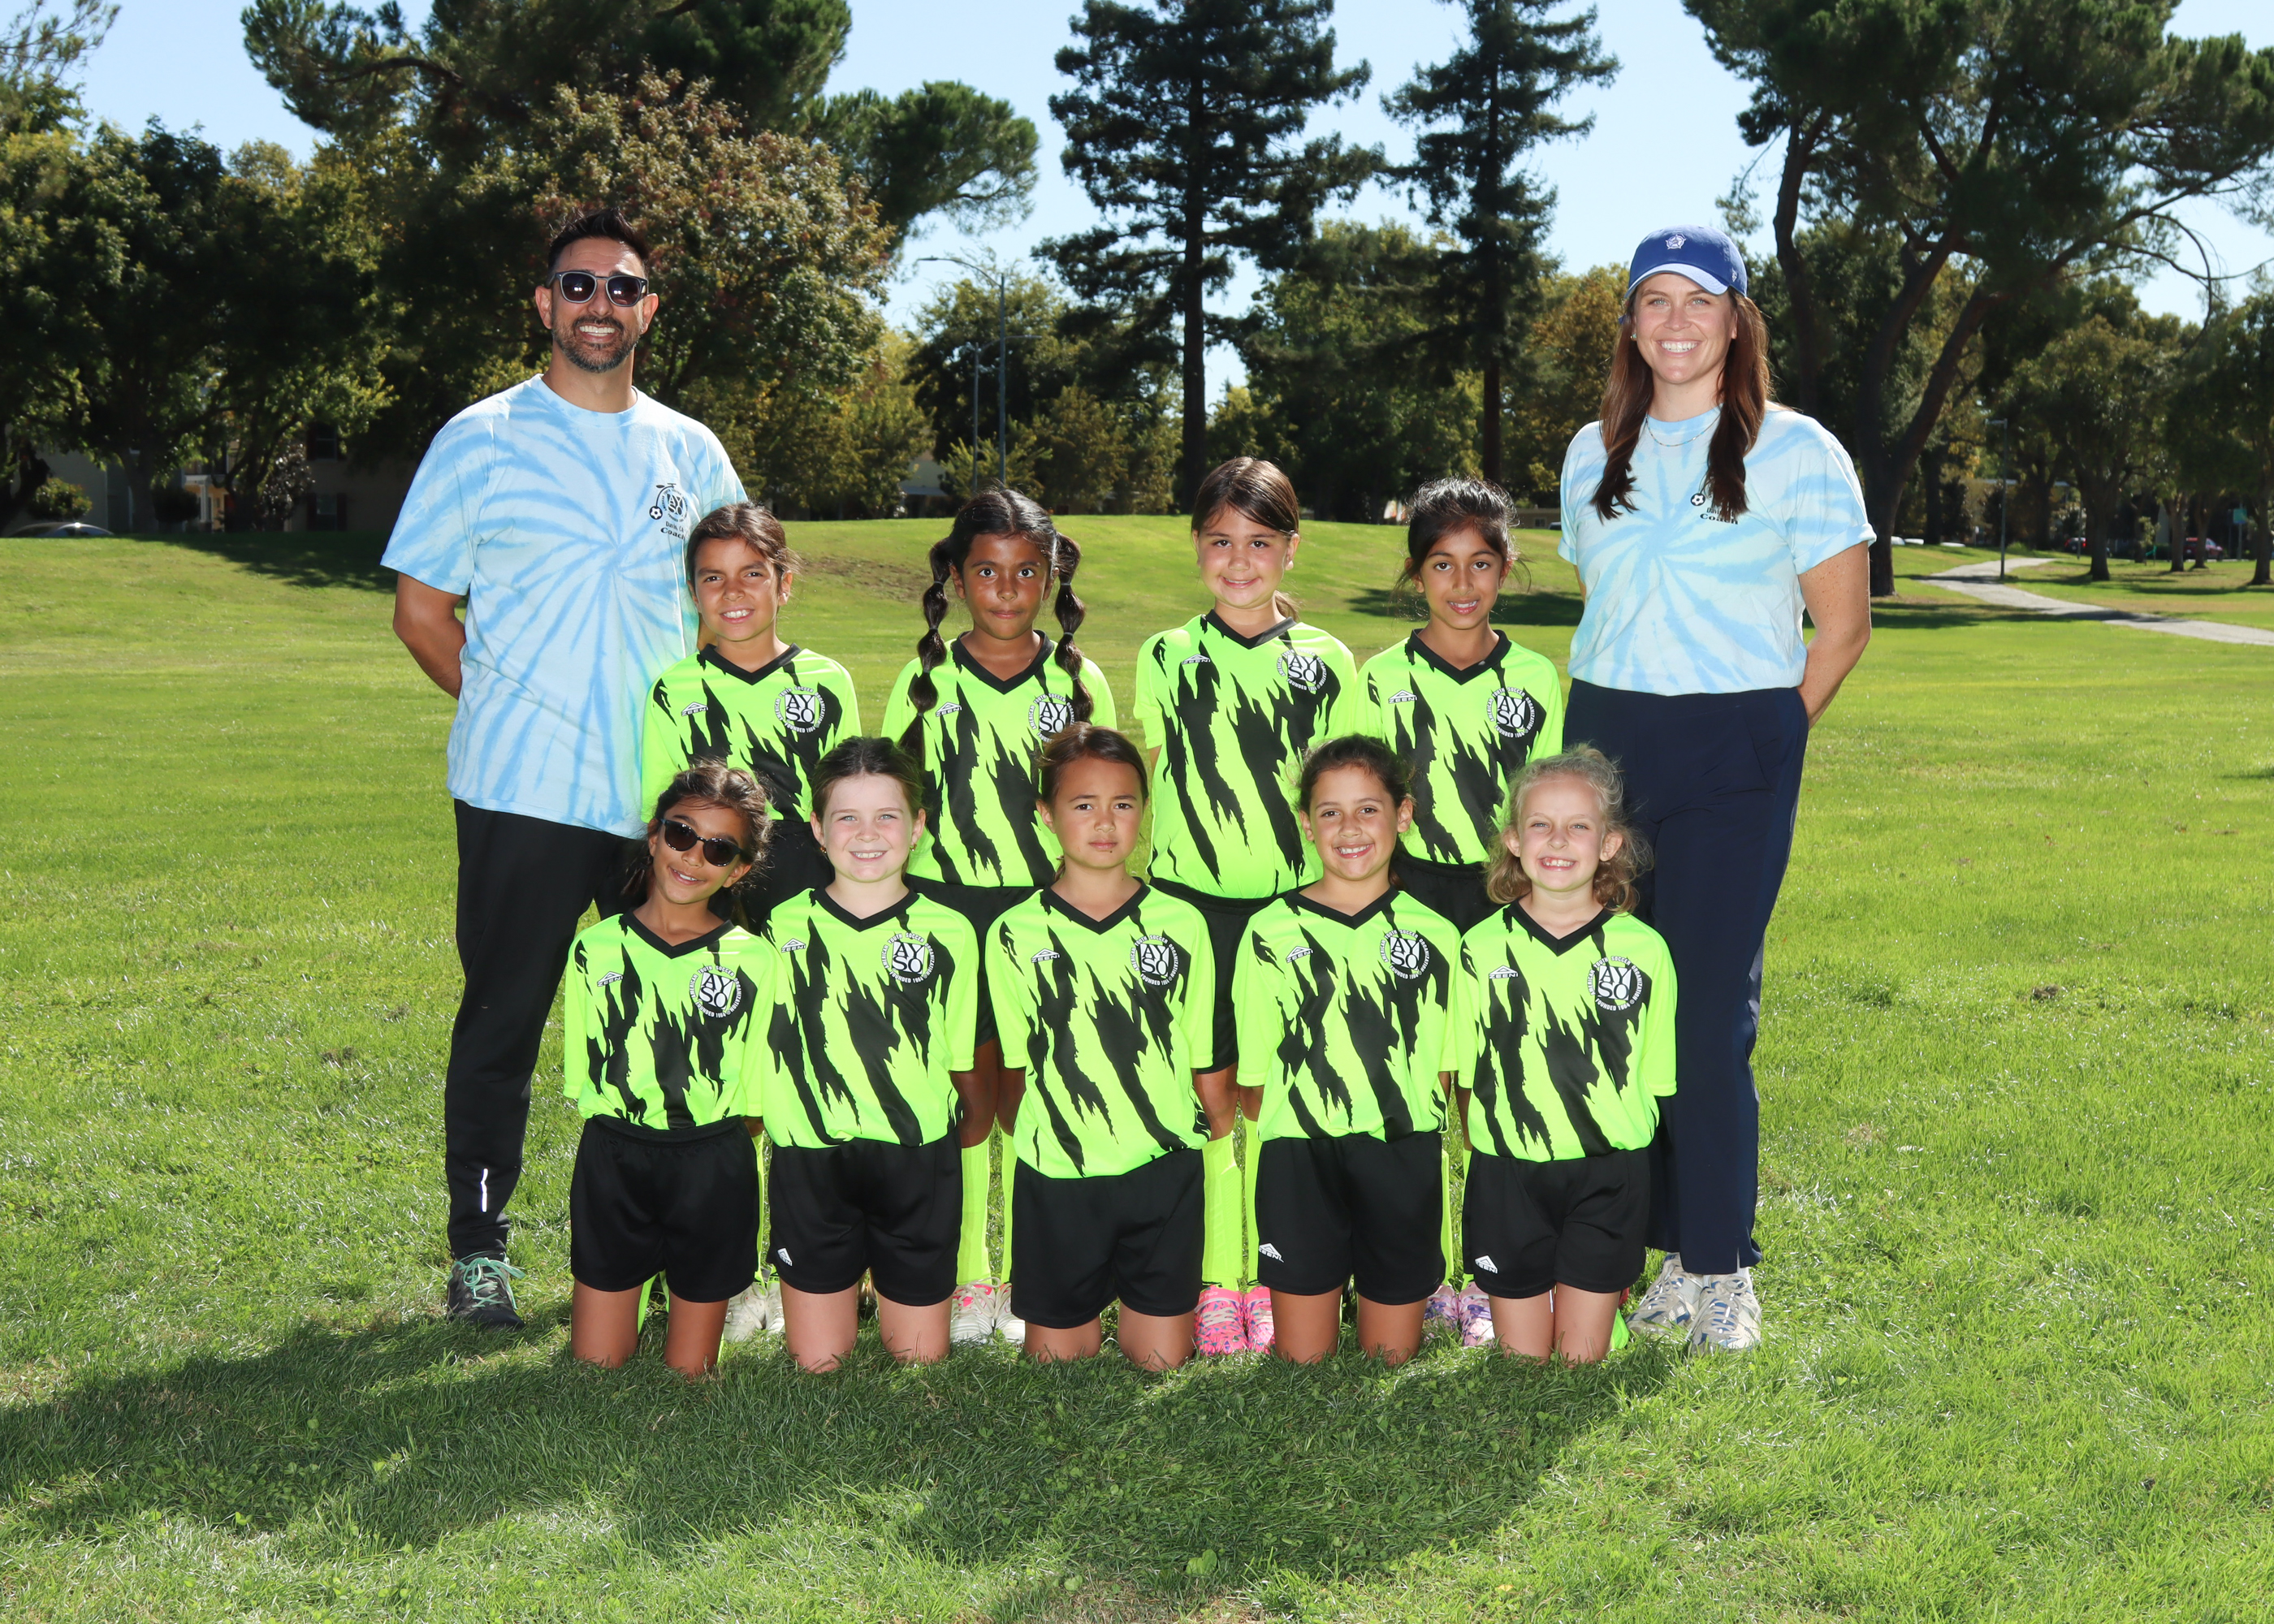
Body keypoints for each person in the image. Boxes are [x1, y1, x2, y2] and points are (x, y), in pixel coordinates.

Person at [383, 207, 746, 1328]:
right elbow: (421, 610)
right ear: (545, 304)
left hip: (660, 808)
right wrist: (509, 704)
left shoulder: (690, 451)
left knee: (680, 1017)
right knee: (503, 1026)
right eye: (578, 286)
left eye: (621, 287)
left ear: (649, 309)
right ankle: (480, 1254)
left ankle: (682, 1254)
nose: (600, 305)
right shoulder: (480, 436)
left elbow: (731, 607)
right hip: (522, 792)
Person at [1557, 222, 1870, 1350]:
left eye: (1701, 301)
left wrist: (1766, 740)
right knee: (1615, 1000)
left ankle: (1721, 1265)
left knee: (1705, 1014)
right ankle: (1655, 1253)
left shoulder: (1798, 449)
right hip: (1606, 740)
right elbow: (1608, 603)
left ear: (1738, 322)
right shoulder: (1590, 450)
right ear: (1631, 324)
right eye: (1656, 300)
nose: (1677, 321)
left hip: (1735, 742)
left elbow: (1842, 628)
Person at [1134, 457, 1359, 1355]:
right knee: (1206, 1095)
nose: (1239, 560)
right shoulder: (1166, 654)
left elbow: (1340, 799)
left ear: (1290, 551)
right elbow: (1157, 779)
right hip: (1188, 909)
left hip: (1289, 914)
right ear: (1197, 547)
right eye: (1222, 541)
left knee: (1275, 1095)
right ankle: (1214, 1277)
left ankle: (1272, 1272)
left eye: (1260, 543)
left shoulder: (1326, 661)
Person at [882, 489, 1112, 1346]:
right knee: (967, 1100)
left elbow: (1104, 804)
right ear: (955, 578)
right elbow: (892, 805)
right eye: (986, 571)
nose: (1006, 590)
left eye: (1025, 572)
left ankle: (1029, 1274)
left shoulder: (1077, 680)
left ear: (1050, 578)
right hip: (948, 914)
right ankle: (968, 1275)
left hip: (1047, 917)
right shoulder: (925, 679)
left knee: (1036, 1097)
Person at [987, 725, 1220, 1369]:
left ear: (1144, 812)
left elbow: (1198, 1053)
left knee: (1162, 1362)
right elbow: (1014, 1069)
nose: (1105, 822)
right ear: (1046, 814)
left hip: (1162, 1171)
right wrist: (1055, 1135)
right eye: (1083, 804)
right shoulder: (1014, 931)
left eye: (1123, 804)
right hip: (1059, 1175)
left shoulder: (1181, 923)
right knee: (1056, 1365)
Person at [755, 738, 984, 1372]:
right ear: (816, 829)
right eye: (847, 817)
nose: (866, 834)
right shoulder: (779, 928)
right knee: (818, 1361)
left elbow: (958, 1057)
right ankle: (835, 1285)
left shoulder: (951, 932)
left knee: (919, 1358)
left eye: (887, 816)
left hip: (915, 1159)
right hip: (811, 1157)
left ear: (918, 827)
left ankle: (890, 1282)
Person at [1233, 737, 1461, 1367]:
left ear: (1403, 816)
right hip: (1300, 1158)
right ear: (1307, 825)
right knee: (1303, 1361)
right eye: (1330, 812)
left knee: (1391, 1356)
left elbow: (1443, 1072)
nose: (1350, 828)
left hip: (1399, 1155)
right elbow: (1254, 1081)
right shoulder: (1268, 931)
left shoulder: (1437, 936)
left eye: (1368, 809)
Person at [1450, 749, 1674, 1363]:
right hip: (1509, 1172)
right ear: (1513, 842)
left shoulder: (1644, 951)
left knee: (1580, 1361)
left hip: (1607, 1174)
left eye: (1578, 825)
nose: (1557, 840)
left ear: (1609, 844)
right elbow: (1465, 1075)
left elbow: (1656, 1082)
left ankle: (1596, 1300)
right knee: (1524, 1364)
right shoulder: (1478, 948)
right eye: (1540, 825)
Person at [560, 762, 772, 1377]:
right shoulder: (595, 949)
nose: (693, 857)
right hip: (614, 1159)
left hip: (711, 1165)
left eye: (719, 849)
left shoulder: (755, 961)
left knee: (690, 1371)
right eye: (681, 834)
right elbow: (589, 1078)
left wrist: (705, 1148)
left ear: (739, 870)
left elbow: (754, 1099)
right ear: (653, 836)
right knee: (596, 1362)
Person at [1354, 478, 1565, 934]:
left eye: (1481, 564)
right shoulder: (1381, 677)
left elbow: (1545, 800)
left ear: (1505, 570)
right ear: (1416, 573)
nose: (1463, 583)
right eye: (1443, 564)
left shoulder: (1536, 677)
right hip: (1406, 887)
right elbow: (1364, 798)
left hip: (1510, 888)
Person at [638, 502, 859, 931]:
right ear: (694, 593)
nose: (732, 591)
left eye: (752, 573)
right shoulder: (672, 689)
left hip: (810, 872)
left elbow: (847, 799)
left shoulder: (828, 681)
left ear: (784, 584)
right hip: (710, 868)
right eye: (713, 578)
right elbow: (661, 808)